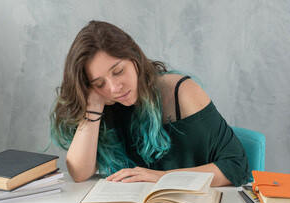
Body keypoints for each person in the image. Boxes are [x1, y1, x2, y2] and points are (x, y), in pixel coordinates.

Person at [50, 20, 250, 187]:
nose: (114, 87)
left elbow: (236, 166)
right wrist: (93, 104)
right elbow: (79, 172)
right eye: (100, 83)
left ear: (134, 58)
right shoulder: (105, 103)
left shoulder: (180, 92)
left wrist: (161, 178)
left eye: (118, 71)